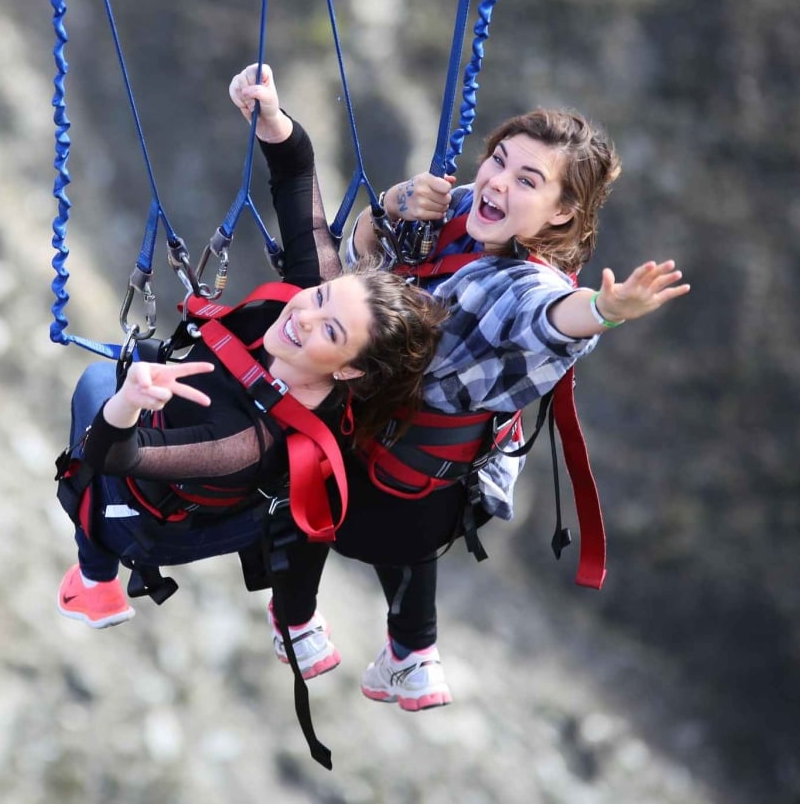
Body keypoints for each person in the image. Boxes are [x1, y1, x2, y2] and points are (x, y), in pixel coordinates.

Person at [269, 92, 690, 711]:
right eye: (498, 160)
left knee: (279, 458)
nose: (496, 181)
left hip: (382, 490)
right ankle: (413, 652)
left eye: (528, 180)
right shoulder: (462, 209)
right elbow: (360, 265)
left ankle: (296, 621)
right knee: (335, 426)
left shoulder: (526, 284)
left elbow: (552, 316)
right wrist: (392, 205)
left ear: (561, 213)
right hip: (421, 493)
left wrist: (605, 310)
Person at [55, 66, 447, 681]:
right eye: (321, 298)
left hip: (155, 521)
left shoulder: (245, 441)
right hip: (196, 426)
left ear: (348, 370)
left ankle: (95, 574)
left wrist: (126, 403)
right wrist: (271, 119)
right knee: (140, 360)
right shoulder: (313, 297)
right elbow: (297, 178)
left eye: (331, 332)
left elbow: (114, 456)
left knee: (97, 385)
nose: (304, 317)